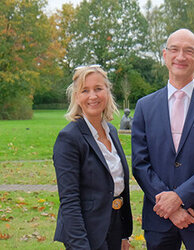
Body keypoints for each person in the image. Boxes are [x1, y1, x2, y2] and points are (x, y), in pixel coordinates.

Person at [131, 28, 194, 249]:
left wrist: (180, 197)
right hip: (159, 218)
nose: (181, 56)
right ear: (165, 55)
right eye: (174, 50)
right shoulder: (145, 106)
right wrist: (170, 206)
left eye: (188, 51)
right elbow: (140, 164)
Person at [53, 65, 132, 249]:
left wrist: (123, 234)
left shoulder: (111, 131)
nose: (93, 96)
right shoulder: (69, 138)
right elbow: (69, 201)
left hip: (114, 227)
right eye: (85, 90)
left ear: (107, 91)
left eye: (98, 88)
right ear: (77, 97)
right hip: (86, 234)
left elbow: (118, 185)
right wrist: (80, 245)